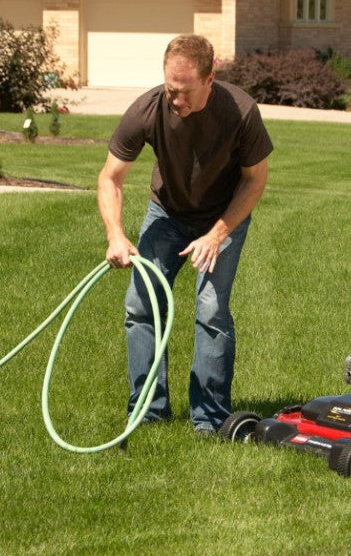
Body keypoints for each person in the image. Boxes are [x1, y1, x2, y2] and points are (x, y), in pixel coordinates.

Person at [97, 34, 273, 436]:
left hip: (222, 216)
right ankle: (147, 409)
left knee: (211, 310)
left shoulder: (241, 112)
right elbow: (111, 178)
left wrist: (217, 234)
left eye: (185, 92)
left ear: (211, 78)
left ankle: (210, 419)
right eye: (169, 89)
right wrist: (116, 235)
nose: (175, 101)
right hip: (168, 213)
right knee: (141, 305)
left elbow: (255, 181)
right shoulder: (147, 109)